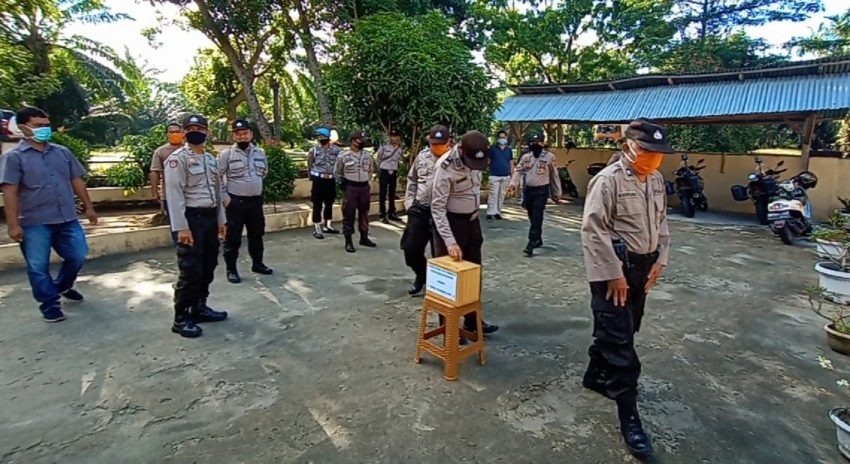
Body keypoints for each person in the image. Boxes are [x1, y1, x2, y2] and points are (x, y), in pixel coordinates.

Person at [580, 119, 673, 457]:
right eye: (648, 151)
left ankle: (594, 375)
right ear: (629, 146)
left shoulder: (657, 180)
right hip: (614, 271)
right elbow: (593, 231)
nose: (653, 159)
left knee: (626, 328)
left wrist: (662, 257)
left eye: (659, 154)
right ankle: (629, 417)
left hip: (643, 268)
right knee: (622, 348)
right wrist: (613, 274)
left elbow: (661, 221)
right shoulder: (608, 181)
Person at [0, 107, 98, 322]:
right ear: (24, 128)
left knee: (78, 255)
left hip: (67, 218)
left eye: (46, 125)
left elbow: (76, 180)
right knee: (38, 266)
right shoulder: (14, 158)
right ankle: (49, 304)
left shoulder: (62, 152)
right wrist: (13, 224)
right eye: (38, 126)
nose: (44, 129)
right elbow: (10, 192)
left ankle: (62, 286)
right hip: (35, 222)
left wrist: (89, 206)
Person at [164, 114, 228, 338]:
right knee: (190, 270)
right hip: (190, 219)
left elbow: (218, 193)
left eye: (199, 128)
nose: (195, 131)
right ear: (184, 132)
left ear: (207, 131)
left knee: (208, 265)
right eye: (190, 128)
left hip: (210, 218)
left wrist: (221, 221)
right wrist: (181, 228)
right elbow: (174, 195)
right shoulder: (177, 159)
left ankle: (199, 307)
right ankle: (181, 318)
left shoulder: (211, 159)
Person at [431, 130, 499, 336]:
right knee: (449, 279)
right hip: (451, 224)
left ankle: (471, 320)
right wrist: (450, 241)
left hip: (472, 222)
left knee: (473, 274)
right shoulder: (444, 168)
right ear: (460, 150)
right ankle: (448, 328)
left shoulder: (476, 159)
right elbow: (437, 208)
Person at [218, 119, 273, 284]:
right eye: (238, 133)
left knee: (257, 234)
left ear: (251, 134)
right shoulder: (226, 154)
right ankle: (231, 269)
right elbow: (217, 177)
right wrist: (225, 199)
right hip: (235, 203)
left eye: (245, 133)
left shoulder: (260, 153)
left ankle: (258, 264)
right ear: (234, 135)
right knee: (232, 238)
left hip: (255, 202)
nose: (242, 136)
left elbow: (264, 173)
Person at [400, 125, 450, 295]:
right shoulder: (422, 156)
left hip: (444, 214)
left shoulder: (456, 160)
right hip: (420, 211)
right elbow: (412, 180)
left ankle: (440, 289)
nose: (436, 147)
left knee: (441, 254)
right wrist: (410, 204)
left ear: (448, 143)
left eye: (440, 144)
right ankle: (422, 275)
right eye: (433, 143)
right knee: (410, 249)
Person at [508, 133, 561, 257]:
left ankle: (531, 242)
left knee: (537, 215)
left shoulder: (549, 157)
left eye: (538, 142)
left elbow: (554, 176)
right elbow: (518, 171)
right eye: (532, 142)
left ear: (543, 143)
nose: (535, 144)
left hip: (542, 191)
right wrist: (513, 184)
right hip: (528, 191)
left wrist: (556, 193)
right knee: (531, 214)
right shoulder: (526, 157)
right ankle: (538, 238)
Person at [335, 130, 377, 253]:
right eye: (361, 139)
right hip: (351, 188)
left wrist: (365, 180)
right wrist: (343, 185)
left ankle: (364, 237)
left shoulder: (367, 156)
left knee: (364, 213)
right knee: (349, 214)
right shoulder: (344, 156)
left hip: (364, 187)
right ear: (353, 141)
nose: (363, 142)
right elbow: (337, 173)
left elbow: (370, 171)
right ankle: (348, 241)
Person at [149, 122, 184, 242]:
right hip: (169, 194)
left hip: (189, 193)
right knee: (175, 224)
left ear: (183, 133)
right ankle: (180, 248)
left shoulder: (189, 149)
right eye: (172, 132)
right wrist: (154, 192)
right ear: (167, 134)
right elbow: (154, 172)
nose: (175, 134)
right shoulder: (160, 151)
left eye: (177, 132)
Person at [308, 128, 342, 239]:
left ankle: (328, 225)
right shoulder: (313, 150)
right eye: (319, 137)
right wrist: (311, 177)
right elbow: (309, 165)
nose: (320, 139)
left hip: (330, 179)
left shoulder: (336, 150)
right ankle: (317, 227)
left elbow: (340, 162)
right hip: (319, 179)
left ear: (328, 138)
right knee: (317, 204)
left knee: (329, 203)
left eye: (322, 136)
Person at [376, 129, 404, 224]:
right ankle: (382, 214)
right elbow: (379, 156)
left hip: (394, 171)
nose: (394, 138)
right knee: (383, 193)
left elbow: (400, 158)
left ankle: (392, 212)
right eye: (392, 136)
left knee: (392, 193)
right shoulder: (384, 146)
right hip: (384, 170)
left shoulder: (400, 148)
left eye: (396, 136)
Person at [486, 130, 514, 221]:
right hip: (494, 175)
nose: (502, 139)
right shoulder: (492, 149)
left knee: (501, 195)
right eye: (500, 137)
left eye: (503, 137)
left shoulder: (509, 150)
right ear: (498, 138)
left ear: (506, 138)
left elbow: (511, 162)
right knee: (493, 194)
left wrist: (512, 174)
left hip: (505, 175)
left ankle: (498, 212)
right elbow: (488, 161)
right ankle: (490, 213)